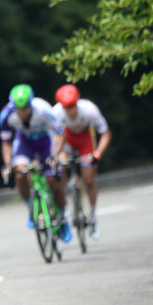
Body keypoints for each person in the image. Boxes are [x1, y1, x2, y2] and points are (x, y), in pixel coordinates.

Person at [0, 84, 71, 242]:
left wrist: (55, 155)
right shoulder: (6, 115)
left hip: (46, 141)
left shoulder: (43, 109)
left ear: (31, 104)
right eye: (19, 110)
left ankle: (63, 218)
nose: (22, 113)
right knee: (19, 174)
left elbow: (61, 134)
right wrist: (8, 163)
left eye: (25, 109)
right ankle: (31, 209)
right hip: (25, 143)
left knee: (52, 180)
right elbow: (6, 142)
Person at [52, 84, 112, 240]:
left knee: (88, 178)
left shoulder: (90, 110)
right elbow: (54, 138)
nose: (70, 110)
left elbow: (105, 133)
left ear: (77, 102)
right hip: (66, 139)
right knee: (62, 165)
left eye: (73, 105)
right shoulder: (56, 113)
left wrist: (98, 153)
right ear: (61, 106)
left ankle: (92, 217)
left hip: (86, 138)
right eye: (67, 107)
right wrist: (57, 156)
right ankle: (63, 202)